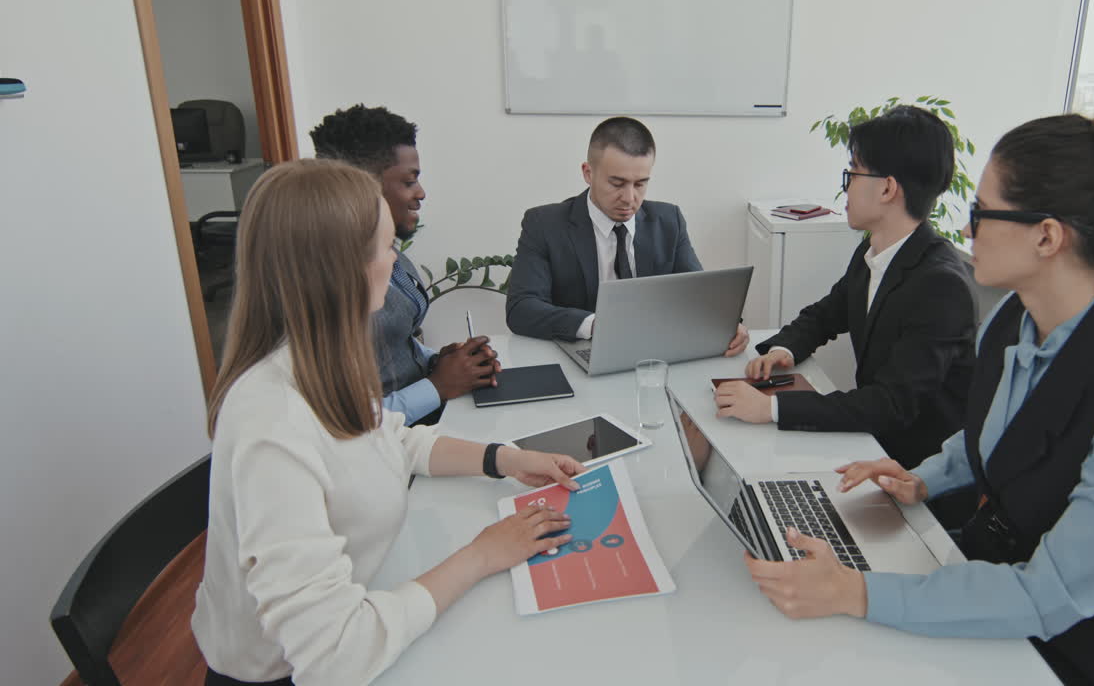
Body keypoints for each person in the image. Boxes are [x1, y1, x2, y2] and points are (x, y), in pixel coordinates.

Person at [743, 83, 1094, 686]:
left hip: (1084, 648)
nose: (966, 229)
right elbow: (987, 432)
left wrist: (857, 592)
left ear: (1046, 235)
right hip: (993, 569)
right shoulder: (1015, 317)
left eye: (984, 214)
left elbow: (1051, 596)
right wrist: (925, 477)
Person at [191, 159, 584, 686]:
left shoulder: (322, 360)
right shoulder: (272, 421)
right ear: (341, 270)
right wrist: (482, 555)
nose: (395, 258)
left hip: (364, 592)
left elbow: (392, 439)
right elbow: (337, 655)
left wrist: (505, 458)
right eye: (384, 245)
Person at [714, 106, 977, 470]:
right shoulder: (875, 249)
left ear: (887, 188)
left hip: (908, 471)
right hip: (868, 444)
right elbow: (828, 313)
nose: (846, 187)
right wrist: (784, 349)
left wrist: (771, 407)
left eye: (852, 172)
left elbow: (889, 404)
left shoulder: (941, 286)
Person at [311, 105, 497, 427]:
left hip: (422, 422)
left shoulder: (388, 252)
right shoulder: (323, 291)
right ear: (361, 188)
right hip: (388, 443)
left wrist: (443, 361)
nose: (421, 193)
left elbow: (395, 343)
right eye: (409, 181)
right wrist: (438, 385)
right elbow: (347, 423)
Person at [505, 116, 748, 355]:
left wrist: (726, 325)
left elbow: (698, 296)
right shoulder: (545, 224)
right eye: (617, 183)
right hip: (577, 353)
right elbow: (521, 309)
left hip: (653, 354)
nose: (630, 198)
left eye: (640, 183)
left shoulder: (668, 221)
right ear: (588, 173)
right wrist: (596, 325)